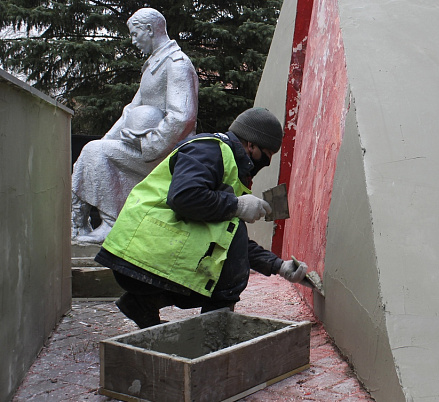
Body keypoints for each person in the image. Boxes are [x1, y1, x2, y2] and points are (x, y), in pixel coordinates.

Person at [94, 108, 308, 329]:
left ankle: (142, 303)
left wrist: (279, 266)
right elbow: (184, 197)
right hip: (141, 256)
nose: (266, 163)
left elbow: (229, 238)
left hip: (146, 257)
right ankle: (216, 333)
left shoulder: (230, 169)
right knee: (226, 272)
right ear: (251, 145)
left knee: (229, 246)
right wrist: (236, 205)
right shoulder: (210, 149)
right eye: (267, 155)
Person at [72, 7, 199, 243]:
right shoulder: (154, 65)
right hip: (148, 147)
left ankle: (113, 223)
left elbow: (182, 118)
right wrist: (107, 140)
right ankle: (78, 224)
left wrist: (147, 144)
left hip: (169, 154)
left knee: (94, 152)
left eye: (135, 34)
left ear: (149, 30)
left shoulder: (176, 63)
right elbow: (130, 110)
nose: (133, 41)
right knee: (93, 149)